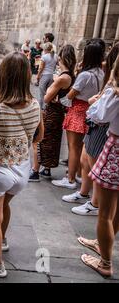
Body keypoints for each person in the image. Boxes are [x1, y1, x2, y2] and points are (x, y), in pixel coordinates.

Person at [0, 52, 43, 278]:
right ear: (26, 76)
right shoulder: (35, 105)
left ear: (2, 76)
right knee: (4, 206)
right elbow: (38, 137)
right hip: (21, 170)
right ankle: (1, 241)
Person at [66, 42, 118, 216]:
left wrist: (94, 102)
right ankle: (84, 193)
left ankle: (94, 203)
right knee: (85, 159)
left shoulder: (110, 83)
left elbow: (100, 113)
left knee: (93, 163)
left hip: (99, 125)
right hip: (96, 122)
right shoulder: (103, 74)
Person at [79, 60, 119, 278]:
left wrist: (97, 99)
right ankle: (102, 244)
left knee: (104, 213)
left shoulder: (115, 95)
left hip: (116, 150)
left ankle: (105, 262)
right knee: (117, 208)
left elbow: (97, 116)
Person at [52, 41, 105, 190]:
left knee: (73, 147)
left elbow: (70, 94)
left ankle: (69, 179)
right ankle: (79, 176)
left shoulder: (85, 75)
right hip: (90, 109)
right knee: (82, 147)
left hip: (77, 109)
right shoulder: (101, 73)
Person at [30, 45, 77, 182]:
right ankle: (47, 169)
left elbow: (46, 97)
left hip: (51, 112)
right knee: (53, 142)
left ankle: (35, 171)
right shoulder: (72, 76)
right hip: (59, 112)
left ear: (61, 59)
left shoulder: (62, 77)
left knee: (39, 140)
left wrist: (54, 82)